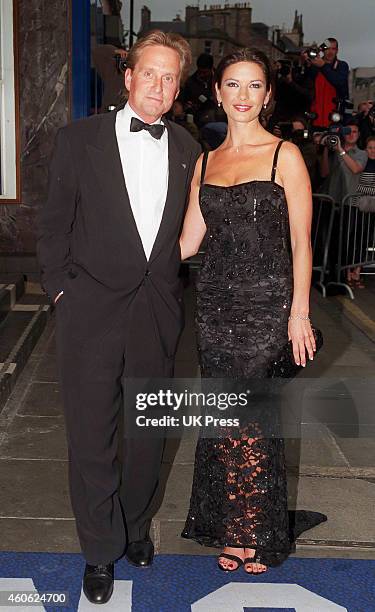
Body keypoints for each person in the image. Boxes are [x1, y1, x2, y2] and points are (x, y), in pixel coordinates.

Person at [38, 31, 200, 605]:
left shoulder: (186, 146)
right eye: (149, 73)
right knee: (91, 436)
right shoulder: (77, 140)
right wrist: (61, 292)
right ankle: (99, 549)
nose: (158, 85)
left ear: (179, 86)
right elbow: (54, 224)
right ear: (128, 76)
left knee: (148, 433)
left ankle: (134, 525)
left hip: (157, 310)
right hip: (89, 310)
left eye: (170, 77)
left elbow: (191, 228)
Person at [179, 48, 324, 574]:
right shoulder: (205, 161)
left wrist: (299, 314)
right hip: (216, 309)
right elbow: (188, 243)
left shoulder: (283, 155)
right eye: (233, 85)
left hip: (268, 308)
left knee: (254, 420)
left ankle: (252, 533)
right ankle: (238, 524)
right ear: (217, 92)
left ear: (267, 95)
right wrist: (123, 260)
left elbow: (302, 244)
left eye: (254, 85)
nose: (242, 96)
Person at [306, 37, 349, 129]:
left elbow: (338, 81)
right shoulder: (314, 66)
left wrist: (323, 66)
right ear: (322, 50)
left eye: (333, 49)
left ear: (337, 51)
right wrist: (306, 63)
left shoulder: (342, 65)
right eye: (327, 49)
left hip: (335, 117)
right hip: (315, 117)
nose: (330, 52)